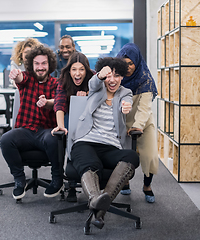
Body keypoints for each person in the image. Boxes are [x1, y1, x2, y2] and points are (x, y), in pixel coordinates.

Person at [68, 57, 140, 229]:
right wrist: (100, 75)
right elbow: (93, 83)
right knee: (90, 163)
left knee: (132, 156)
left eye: (117, 76)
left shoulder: (125, 93)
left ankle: (98, 207)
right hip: (86, 140)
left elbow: (127, 101)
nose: (112, 80)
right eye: (109, 75)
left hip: (111, 146)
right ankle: (97, 203)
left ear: (122, 77)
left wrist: (126, 107)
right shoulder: (96, 88)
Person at [0, 45, 63, 200]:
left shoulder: (57, 83)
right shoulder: (27, 79)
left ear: (50, 65)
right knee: (6, 139)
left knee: (55, 137)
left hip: (46, 131)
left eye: (44, 63)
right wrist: (16, 75)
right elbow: (20, 78)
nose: (40, 67)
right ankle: (19, 179)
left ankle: (57, 179)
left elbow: (60, 101)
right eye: (37, 64)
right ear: (31, 65)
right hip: (26, 131)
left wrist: (48, 102)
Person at [116, 43, 159, 203]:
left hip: (144, 123)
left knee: (150, 156)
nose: (127, 67)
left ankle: (147, 186)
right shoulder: (116, 79)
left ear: (137, 62)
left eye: (131, 63)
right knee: (123, 157)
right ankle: (125, 182)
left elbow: (145, 107)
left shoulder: (144, 78)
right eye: (124, 63)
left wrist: (138, 126)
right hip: (122, 123)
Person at [52, 52, 94, 135]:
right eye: (74, 69)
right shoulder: (64, 81)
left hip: (91, 116)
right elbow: (60, 104)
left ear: (86, 70)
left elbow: (100, 93)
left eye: (81, 69)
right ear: (69, 71)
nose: (77, 73)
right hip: (71, 116)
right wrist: (60, 126)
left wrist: (87, 95)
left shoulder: (93, 78)